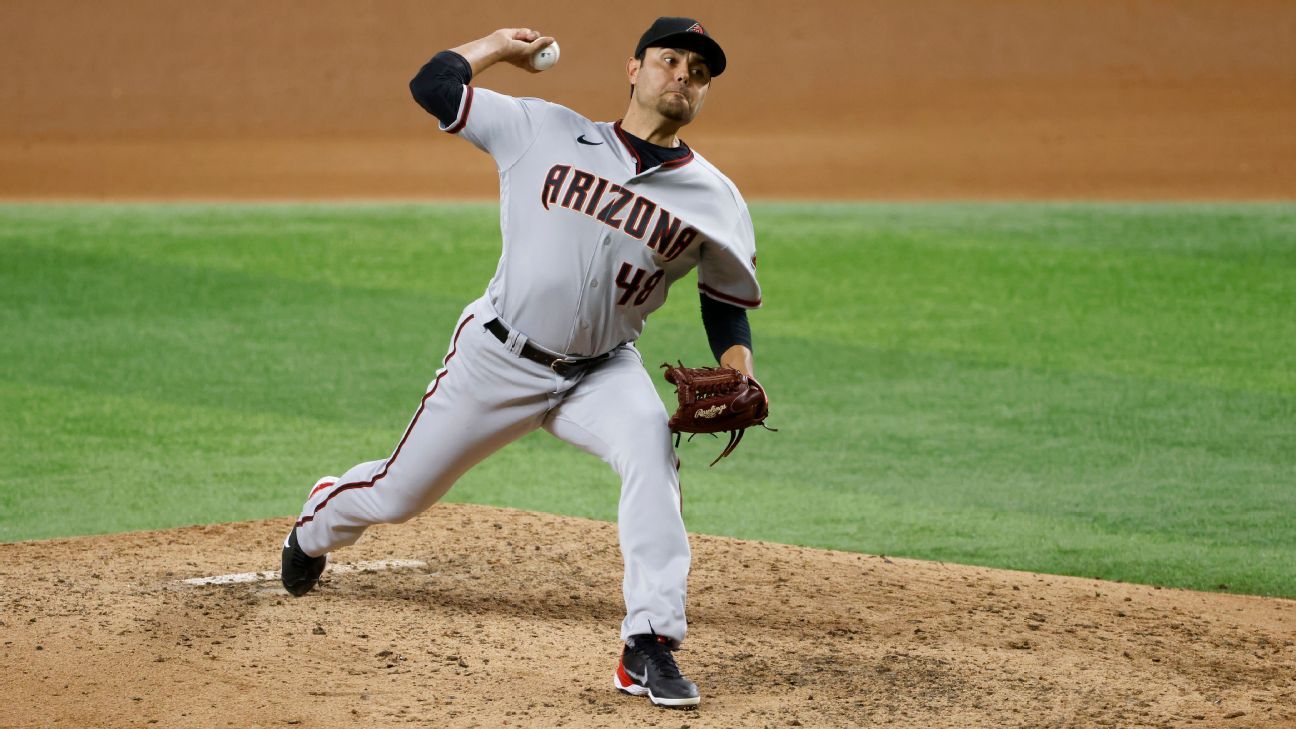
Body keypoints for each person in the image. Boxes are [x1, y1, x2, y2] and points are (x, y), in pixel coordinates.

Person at [280, 17, 763, 709]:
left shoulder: (716, 198)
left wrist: (740, 368)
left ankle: (649, 643)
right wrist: (497, 49)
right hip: (497, 357)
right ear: (634, 70)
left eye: (700, 71)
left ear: (705, 92)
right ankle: (315, 524)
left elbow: (724, 305)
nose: (683, 74)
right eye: (670, 59)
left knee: (651, 452)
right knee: (399, 495)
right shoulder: (544, 129)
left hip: (602, 370)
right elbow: (433, 85)